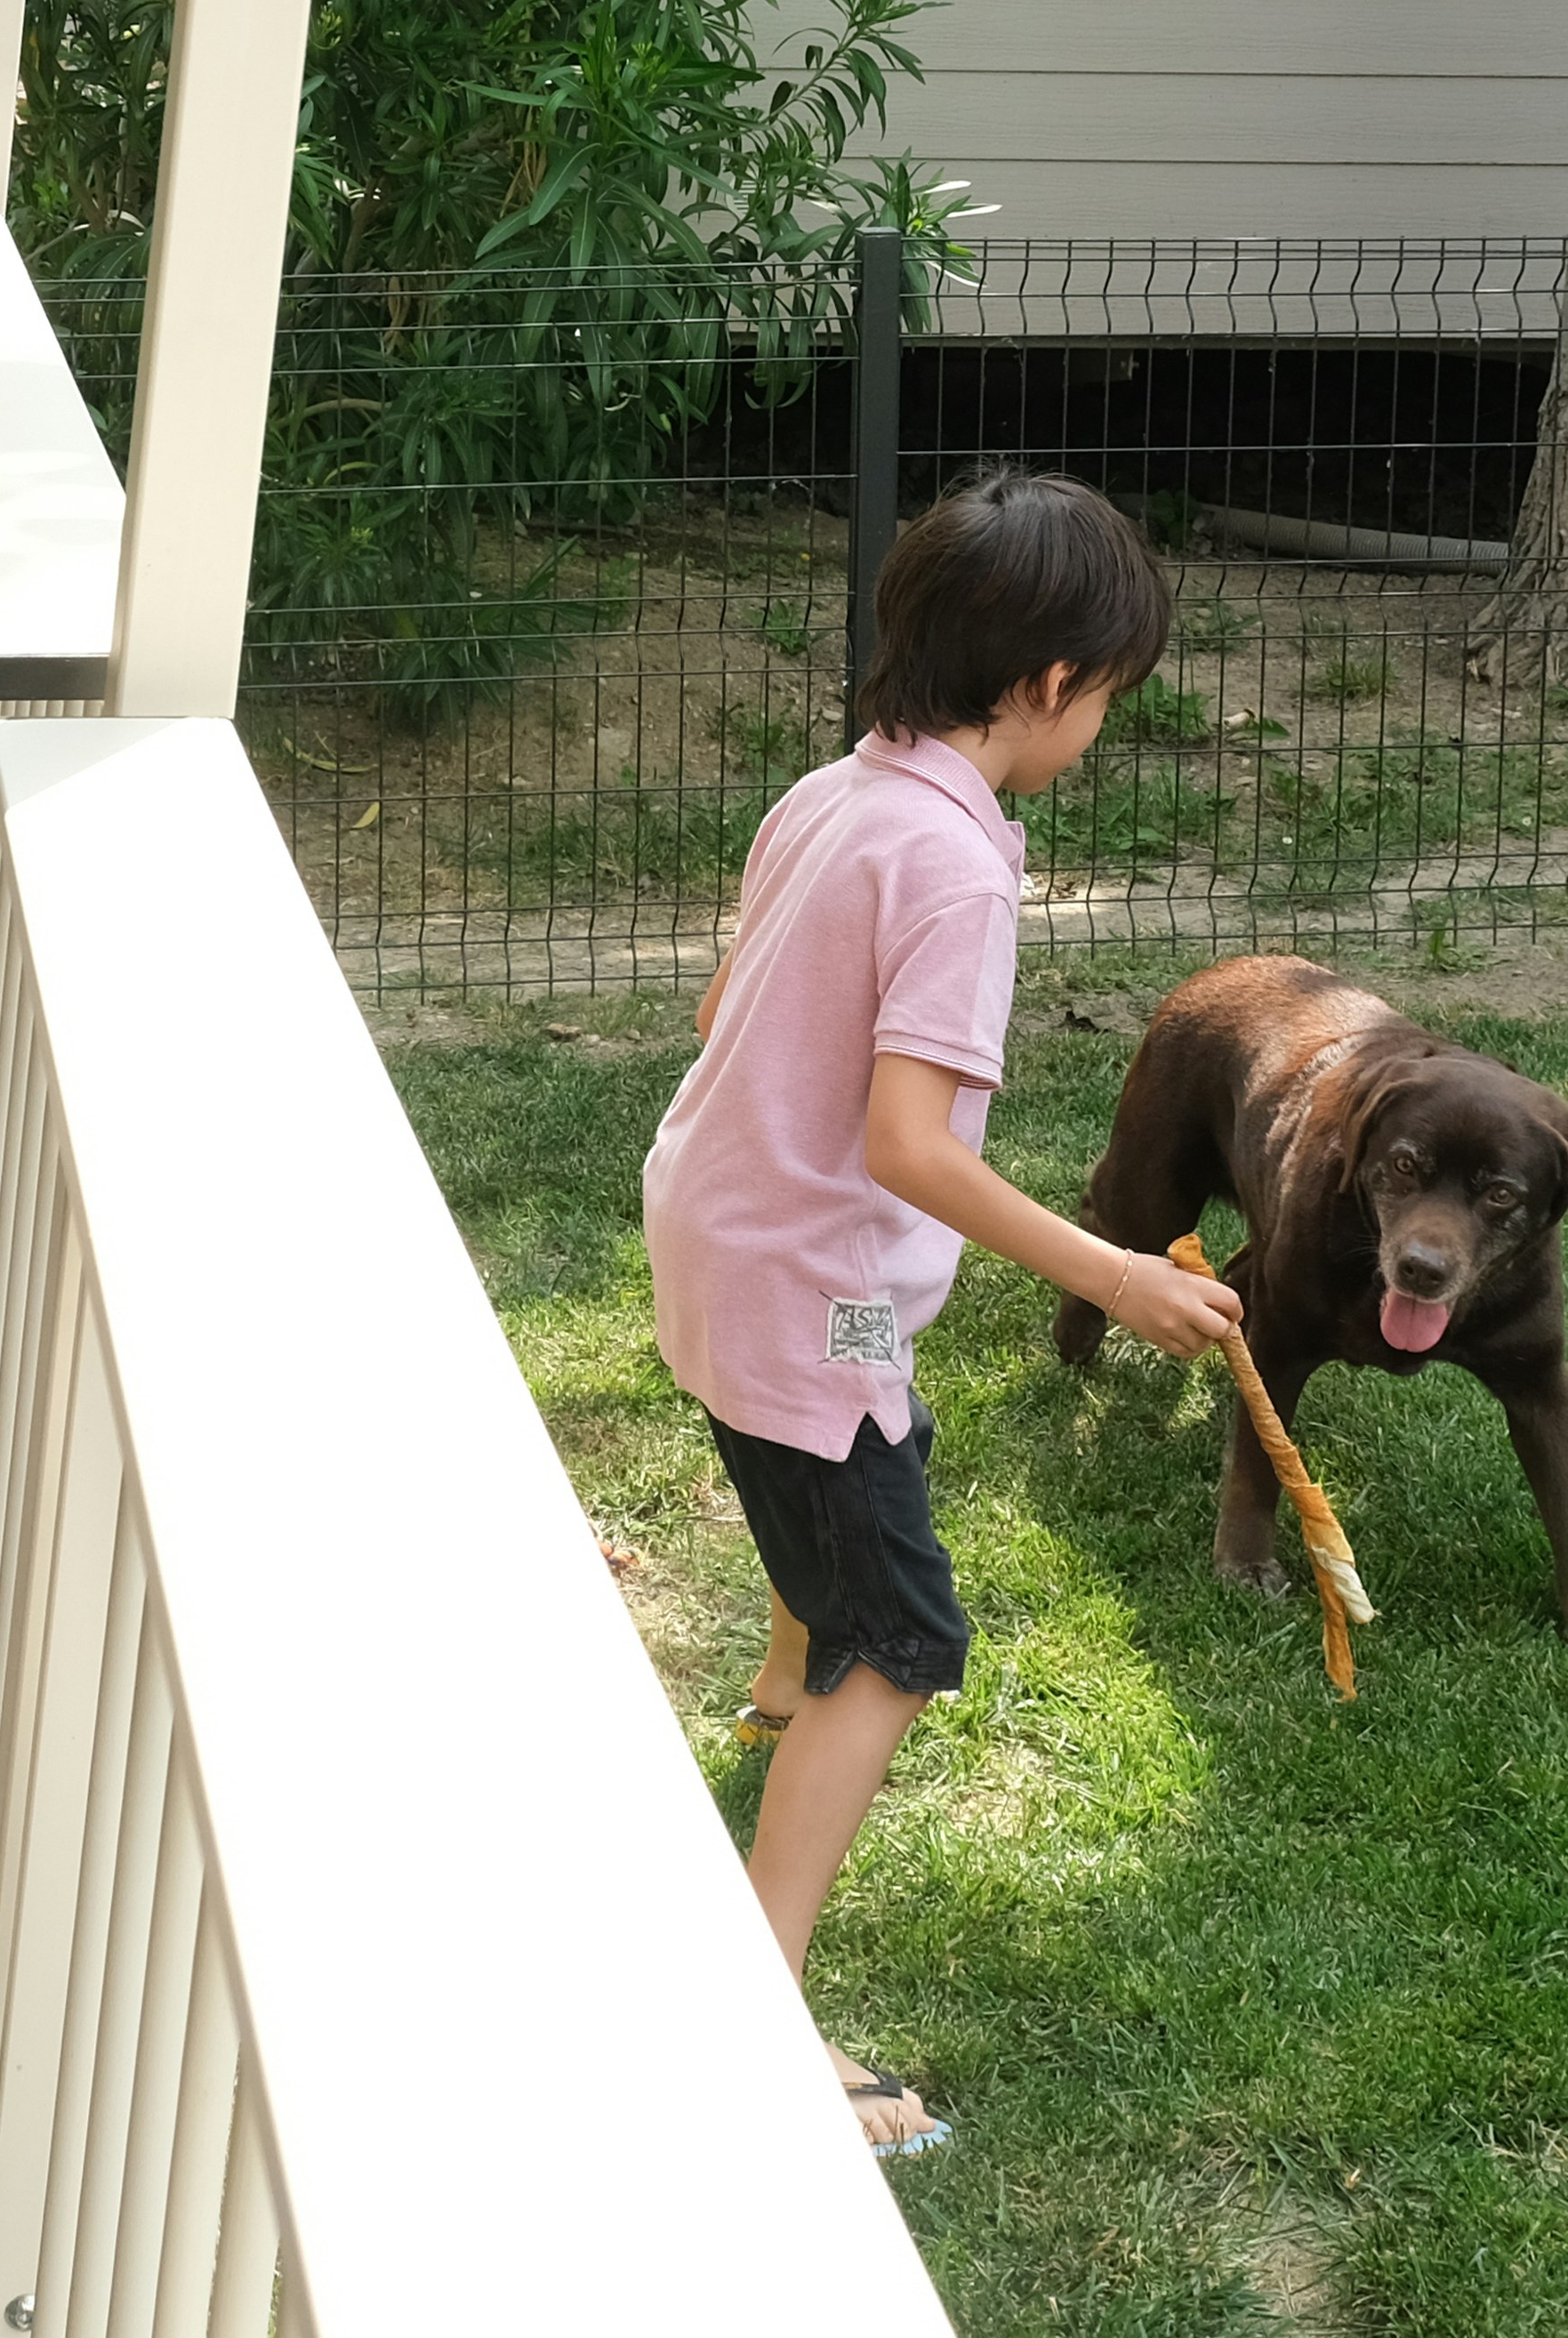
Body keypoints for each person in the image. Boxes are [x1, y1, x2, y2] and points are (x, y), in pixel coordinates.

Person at [647, 468, 1241, 2162]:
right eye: (1110, 698)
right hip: (805, 1289)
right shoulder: (960, 877)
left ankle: (778, 1680)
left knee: (841, 1464)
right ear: (1052, 684)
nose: (1101, 728)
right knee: (904, 1636)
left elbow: (723, 1004)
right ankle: (763, 2026)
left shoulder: (838, 791)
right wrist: (1115, 1273)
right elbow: (908, 1146)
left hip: (710, 1232)